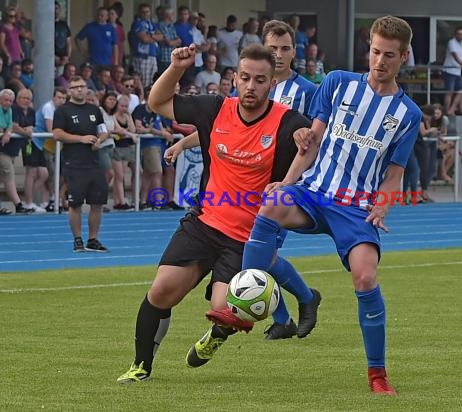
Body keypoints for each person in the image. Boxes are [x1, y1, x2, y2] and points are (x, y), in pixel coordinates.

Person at [240, 16, 421, 394]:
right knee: (271, 203)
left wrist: (383, 205)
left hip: (355, 209)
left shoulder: (408, 115)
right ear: (368, 48)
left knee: (366, 277)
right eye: (374, 51)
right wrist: (287, 181)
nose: (379, 61)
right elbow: (311, 142)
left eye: (389, 55)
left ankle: (377, 374)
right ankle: (241, 305)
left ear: (403, 56)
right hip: (313, 192)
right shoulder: (338, 83)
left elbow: (394, 173)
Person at [116, 44, 318, 383]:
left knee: (227, 312)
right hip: (205, 224)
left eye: (260, 80)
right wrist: (177, 68)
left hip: (246, 239)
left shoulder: (288, 122)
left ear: (272, 84)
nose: (251, 86)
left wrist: (300, 151)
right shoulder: (214, 108)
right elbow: (157, 103)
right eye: (245, 78)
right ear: (234, 78)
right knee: (162, 290)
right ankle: (141, 367)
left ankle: (218, 335)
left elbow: (311, 147)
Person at [183, 19, 319, 340]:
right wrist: (180, 143)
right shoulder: (251, 85)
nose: (280, 53)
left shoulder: (308, 91)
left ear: (293, 51)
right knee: (258, 258)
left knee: (259, 256)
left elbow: (315, 132)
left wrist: (304, 136)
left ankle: (300, 303)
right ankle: (289, 313)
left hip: (281, 187)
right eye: (273, 48)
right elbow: (222, 129)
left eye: (285, 48)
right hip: (243, 185)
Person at [52, 76, 110, 252]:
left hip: (94, 162)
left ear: (86, 89)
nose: (79, 90)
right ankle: (77, 239)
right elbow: (57, 134)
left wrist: (99, 141)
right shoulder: (63, 111)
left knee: (97, 203)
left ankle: (93, 239)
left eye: (82, 86)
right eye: (75, 87)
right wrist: (81, 139)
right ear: (69, 90)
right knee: (75, 204)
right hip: (74, 163)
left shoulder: (94, 110)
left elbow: (104, 131)